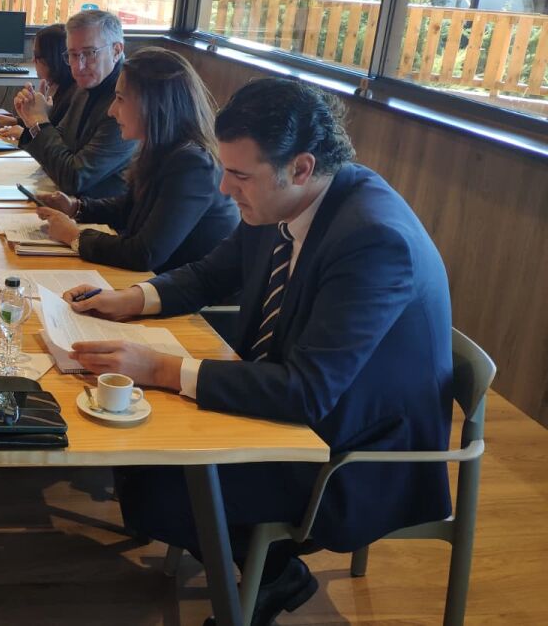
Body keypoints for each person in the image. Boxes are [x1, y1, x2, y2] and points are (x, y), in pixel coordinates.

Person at [64, 78, 453, 625]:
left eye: (240, 175)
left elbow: (306, 392)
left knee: (158, 487)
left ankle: (271, 574)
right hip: (306, 404)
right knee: (141, 459)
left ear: (300, 167)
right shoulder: (288, 202)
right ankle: (267, 570)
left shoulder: (372, 240)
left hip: (354, 447)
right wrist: (130, 299)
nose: (225, 188)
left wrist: (160, 368)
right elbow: (210, 274)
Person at [32, 47, 239, 272]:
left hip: (181, 289)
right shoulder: (160, 148)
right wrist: (76, 207)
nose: (111, 111)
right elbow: (129, 208)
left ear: (155, 104)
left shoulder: (193, 165)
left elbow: (144, 254)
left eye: (120, 99)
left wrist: (75, 236)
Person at [12, 9, 138, 198]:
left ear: (116, 51)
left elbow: (75, 178)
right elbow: (60, 145)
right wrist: (31, 120)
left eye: (89, 53)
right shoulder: (85, 87)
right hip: (66, 202)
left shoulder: (127, 103)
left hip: (98, 212)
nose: (79, 66)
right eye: (73, 55)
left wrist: (39, 121)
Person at [0, 24, 77, 143]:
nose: (33, 60)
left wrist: (24, 134)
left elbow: (57, 141)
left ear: (52, 58)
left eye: (36, 55)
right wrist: (14, 120)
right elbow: (48, 124)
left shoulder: (72, 97)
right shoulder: (55, 86)